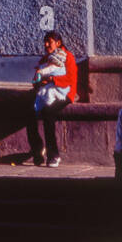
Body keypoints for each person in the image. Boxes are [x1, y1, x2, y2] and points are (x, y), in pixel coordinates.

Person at [24, 30, 77, 168]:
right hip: (46, 93)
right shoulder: (45, 59)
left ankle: (53, 155)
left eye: (50, 42)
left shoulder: (67, 57)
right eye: (45, 42)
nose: (47, 44)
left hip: (65, 93)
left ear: (58, 43)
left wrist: (52, 79)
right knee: (29, 112)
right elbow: (35, 79)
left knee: (48, 113)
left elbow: (70, 79)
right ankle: (37, 148)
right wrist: (38, 83)